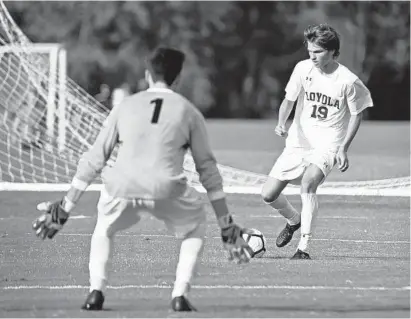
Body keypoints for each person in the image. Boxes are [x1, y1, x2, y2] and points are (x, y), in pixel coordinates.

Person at [32, 47, 253, 312]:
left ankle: (95, 292)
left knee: (104, 229)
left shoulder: (124, 106)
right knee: (195, 228)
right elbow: (208, 171)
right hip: (167, 189)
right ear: (178, 78)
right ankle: (179, 295)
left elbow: (94, 159)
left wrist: (65, 208)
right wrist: (226, 224)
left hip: (121, 186)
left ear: (148, 75)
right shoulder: (189, 112)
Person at [261, 24, 373, 259]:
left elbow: (357, 113)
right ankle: (294, 220)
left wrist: (343, 148)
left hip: (328, 143)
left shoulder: (348, 81)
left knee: (308, 183)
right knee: (268, 194)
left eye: (319, 51)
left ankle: (304, 247)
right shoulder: (302, 69)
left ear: (333, 52)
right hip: (299, 141)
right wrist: (282, 122)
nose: (313, 55)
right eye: (310, 50)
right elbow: (288, 100)